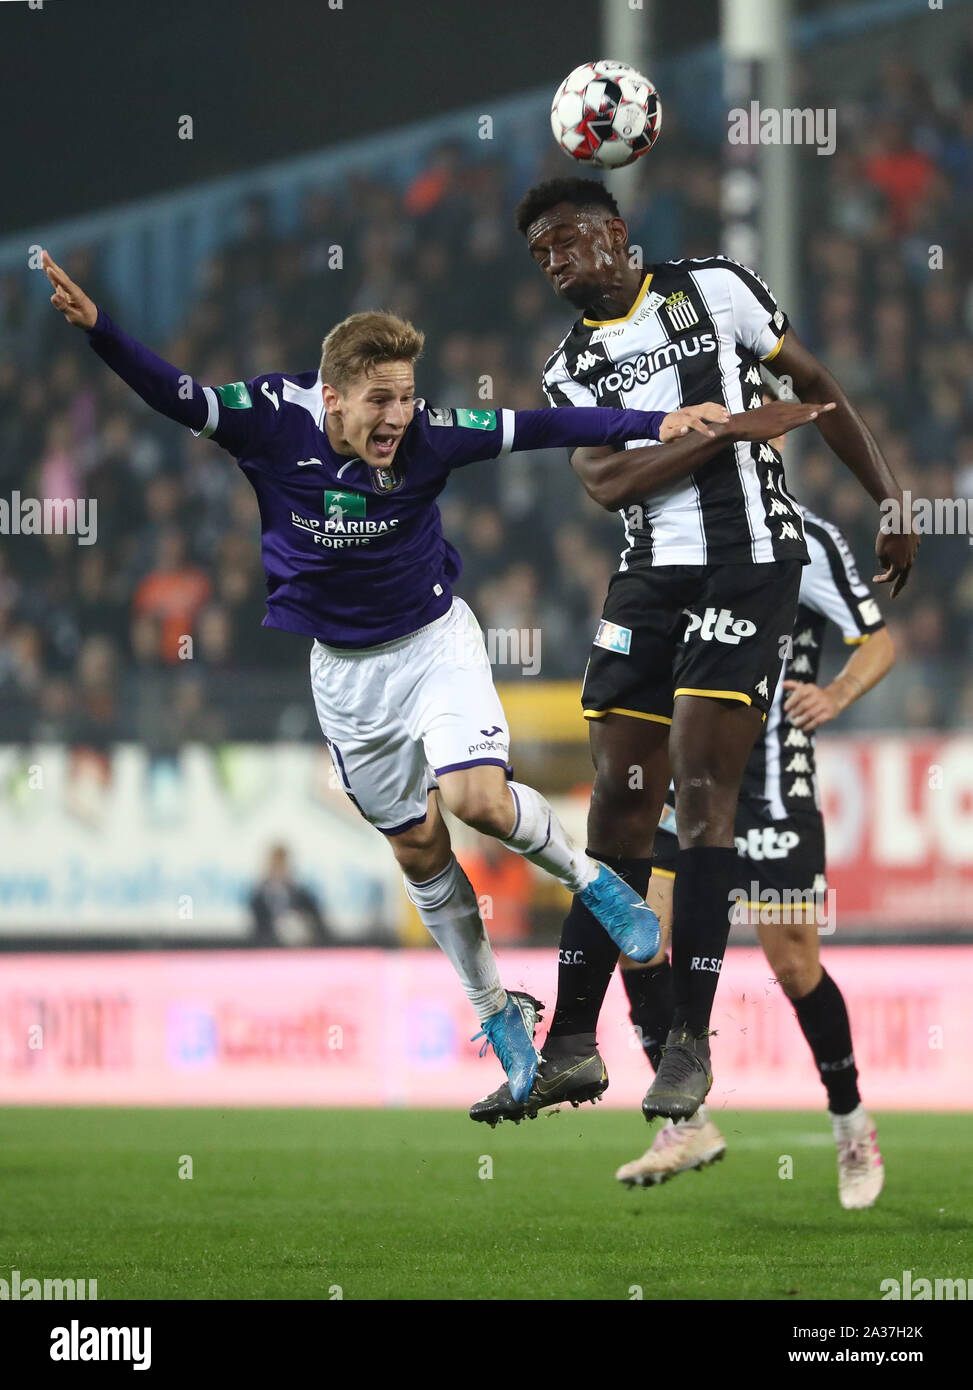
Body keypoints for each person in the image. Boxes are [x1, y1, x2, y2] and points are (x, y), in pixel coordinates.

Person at [43, 249, 734, 1105]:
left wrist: (652, 423)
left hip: (435, 645)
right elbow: (175, 394)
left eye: (407, 397)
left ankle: (598, 887)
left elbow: (539, 427)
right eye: (381, 401)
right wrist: (102, 330)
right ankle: (498, 1012)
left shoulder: (431, 437)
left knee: (479, 800)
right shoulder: (268, 418)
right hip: (344, 676)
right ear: (332, 397)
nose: (399, 417)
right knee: (419, 849)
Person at [471, 176, 915, 1126]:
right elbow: (607, 482)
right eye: (538, 255)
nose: (551, 264)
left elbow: (816, 387)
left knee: (703, 795)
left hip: (747, 567)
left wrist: (888, 495)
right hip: (647, 580)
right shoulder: (569, 370)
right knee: (618, 819)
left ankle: (686, 1047)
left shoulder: (715, 287)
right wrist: (727, 432)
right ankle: (573, 1049)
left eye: (563, 242)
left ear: (614, 234)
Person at [615, 439, 893, 1208]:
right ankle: (688, 1122)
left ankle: (850, 1125)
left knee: (793, 966)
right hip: (691, 782)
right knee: (635, 938)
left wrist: (835, 694)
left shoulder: (805, 538)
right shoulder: (673, 535)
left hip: (770, 788)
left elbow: (878, 640)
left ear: (771, 447)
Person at [250, 844, 332, 946]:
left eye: (281, 864)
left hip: (300, 947)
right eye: (275, 864)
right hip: (269, 948)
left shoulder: (301, 894)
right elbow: (257, 927)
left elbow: (319, 921)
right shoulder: (259, 896)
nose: (278, 868)